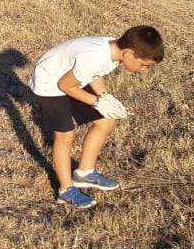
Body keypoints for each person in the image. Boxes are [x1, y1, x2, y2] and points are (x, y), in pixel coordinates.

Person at [30, 25, 163, 209]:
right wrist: (97, 102)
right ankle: (66, 191)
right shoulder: (96, 55)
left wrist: (106, 97)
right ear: (129, 53)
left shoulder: (114, 50)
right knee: (65, 135)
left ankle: (84, 173)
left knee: (107, 119)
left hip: (72, 78)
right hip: (51, 82)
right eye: (144, 65)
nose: (144, 70)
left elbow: (94, 73)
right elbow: (65, 86)